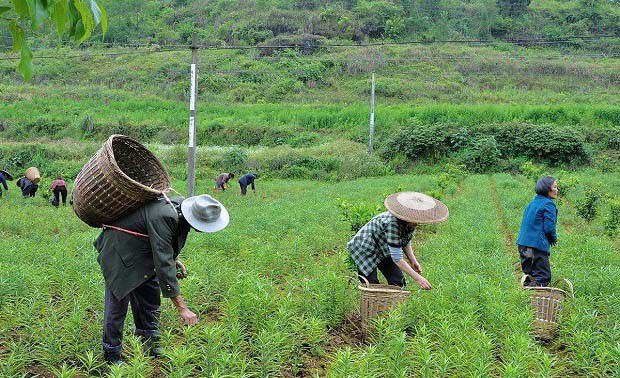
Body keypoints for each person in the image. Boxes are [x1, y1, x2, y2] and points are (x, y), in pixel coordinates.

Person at [94, 194, 229, 364]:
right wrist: (182, 308)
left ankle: (150, 345)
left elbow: (163, 244)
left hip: (142, 253)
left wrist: (174, 260)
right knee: (117, 305)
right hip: (119, 253)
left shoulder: (181, 211)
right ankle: (112, 355)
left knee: (150, 297)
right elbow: (163, 264)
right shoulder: (165, 215)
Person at [347, 192, 449, 290]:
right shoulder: (392, 223)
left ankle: (393, 306)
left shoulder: (411, 222)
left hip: (383, 247)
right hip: (364, 248)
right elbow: (397, 259)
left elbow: (405, 241)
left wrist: (413, 260)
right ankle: (371, 307)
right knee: (371, 285)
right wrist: (418, 278)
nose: (418, 222)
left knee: (398, 281)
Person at [516, 176, 558, 287]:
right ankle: (538, 303)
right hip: (536, 246)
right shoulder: (548, 204)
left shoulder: (532, 203)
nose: (557, 190)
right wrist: (553, 239)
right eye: (555, 187)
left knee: (529, 276)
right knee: (542, 277)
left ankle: (526, 301)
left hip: (523, 245)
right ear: (547, 189)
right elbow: (549, 227)